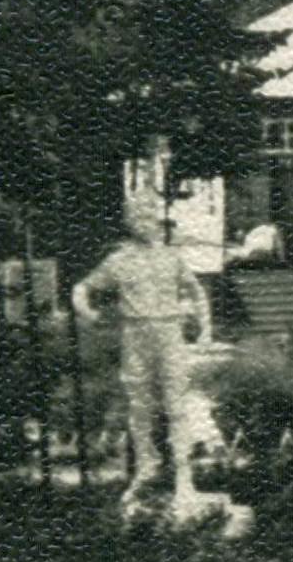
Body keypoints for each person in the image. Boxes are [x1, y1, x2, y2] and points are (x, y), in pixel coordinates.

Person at [77, 209, 208, 497]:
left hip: (169, 331)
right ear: (131, 225)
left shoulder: (171, 257)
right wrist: (89, 314)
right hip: (135, 333)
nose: (147, 225)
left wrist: (205, 329)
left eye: (151, 220)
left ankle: (184, 474)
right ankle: (146, 467)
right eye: (140, 220)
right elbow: (82, 288)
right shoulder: (119, 261)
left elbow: (197, 291)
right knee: (139, 405)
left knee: (176, 403)